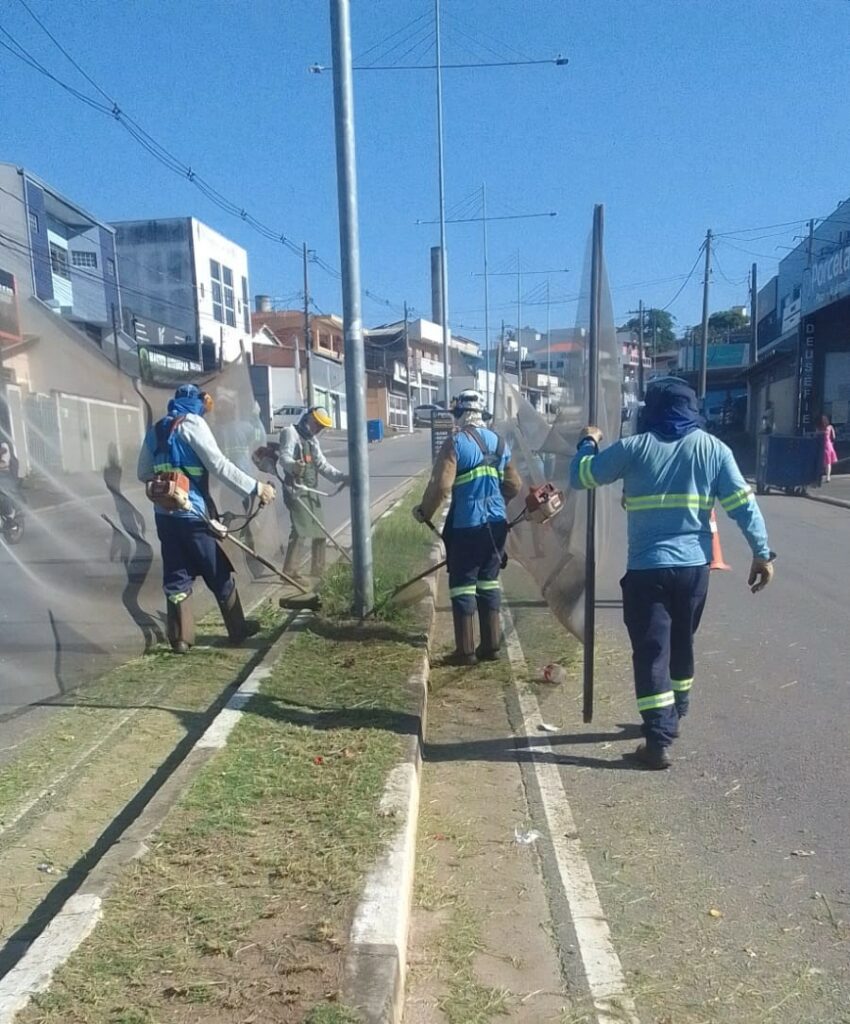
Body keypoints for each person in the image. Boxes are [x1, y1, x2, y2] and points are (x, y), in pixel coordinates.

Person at [570, 377, 775, 770]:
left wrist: (588, 442)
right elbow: (744, 506)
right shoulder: (714, 449)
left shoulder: (634, 448)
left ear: (651, 410)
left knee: (652, 652)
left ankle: (657, 741)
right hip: (694, 571)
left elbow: (583, 476)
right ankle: (675, 712)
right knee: (682, 643)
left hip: (648, 570)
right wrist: (762, 554)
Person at [137, 384, 276, 654]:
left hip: (165, 517)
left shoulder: (157, 430)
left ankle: (180, 639)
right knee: (218, 569)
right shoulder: (192, 424)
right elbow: (219, 465)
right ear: (197, 403)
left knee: (176, 575)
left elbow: (143, 472)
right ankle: (238, 629)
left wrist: (168, 481)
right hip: (193, 514)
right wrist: (256, 488)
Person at [413, 389, 522, 665]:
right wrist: (495, 501)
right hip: (496, 526)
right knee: (489, 581)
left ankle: (465, 651)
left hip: (467, 525)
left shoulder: (456, 443)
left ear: (460, 414)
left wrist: (424, 512)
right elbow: (514, 485)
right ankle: (491, 645)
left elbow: (441, 486)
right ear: (481, 414)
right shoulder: (500, 443)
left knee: (462, 585)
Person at [279, 407, 348, 583]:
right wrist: (294, 466)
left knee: (320, 529)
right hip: (295, 488)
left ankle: (318, 570)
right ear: (309, 418)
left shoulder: (312, 441)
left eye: (321, 426)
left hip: (311, 489)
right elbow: (284, 458)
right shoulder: (290, 433)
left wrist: (342, 477)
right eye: (317, 424)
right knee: (301, 528)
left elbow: (322, 465)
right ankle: (289, 572)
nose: (319, 428)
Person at [818, 414, 837, 483]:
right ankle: (825, 476)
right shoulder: (823, 427)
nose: (824, 420)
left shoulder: (829, 427)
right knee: (824, 462)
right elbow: (833, 437)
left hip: (826, 445)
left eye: (825, 419)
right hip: (824, 445)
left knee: (827, 462)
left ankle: (827, 476)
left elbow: (833, 437)